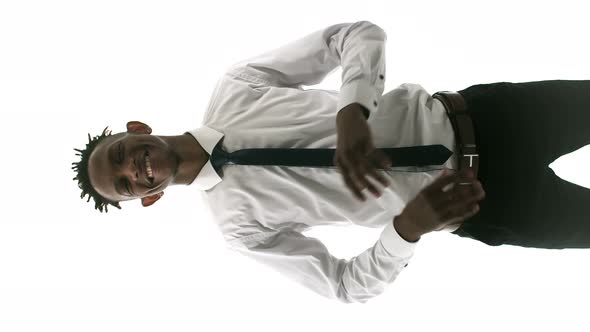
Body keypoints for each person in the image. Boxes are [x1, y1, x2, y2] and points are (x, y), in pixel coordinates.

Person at [72, 21, 590, 303]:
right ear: (150, 197)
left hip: (489, 118)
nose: (133, 170)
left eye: (120, 155)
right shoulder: (240, 228)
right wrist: (405, 231)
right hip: (487, 206)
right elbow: (343, 285)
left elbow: (357, 35)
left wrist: (352, 111)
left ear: (135, 130)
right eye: (126, 185)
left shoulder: (240, 87)